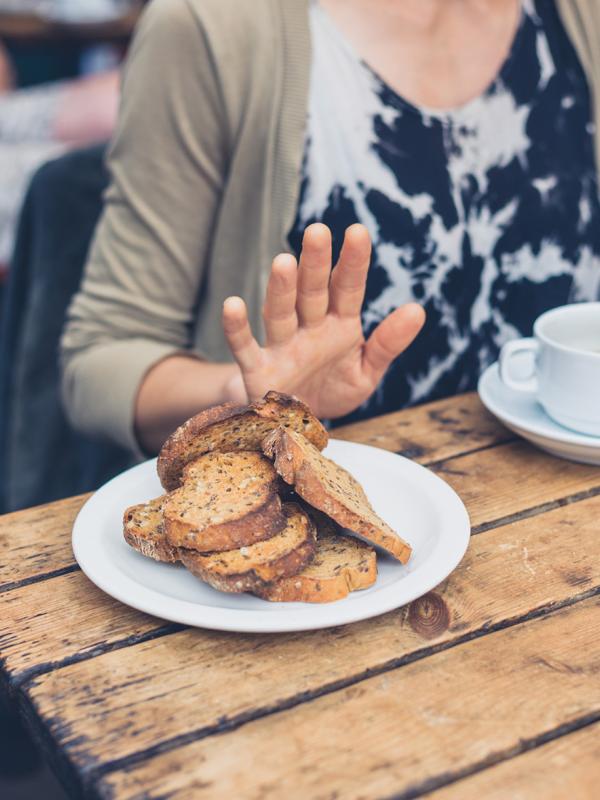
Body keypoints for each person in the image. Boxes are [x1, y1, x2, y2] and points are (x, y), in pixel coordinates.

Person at [61, 0, 600, 457]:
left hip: (563, 508)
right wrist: (246, 393)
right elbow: (101, 359)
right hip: (321, 540)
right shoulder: (213, 24)